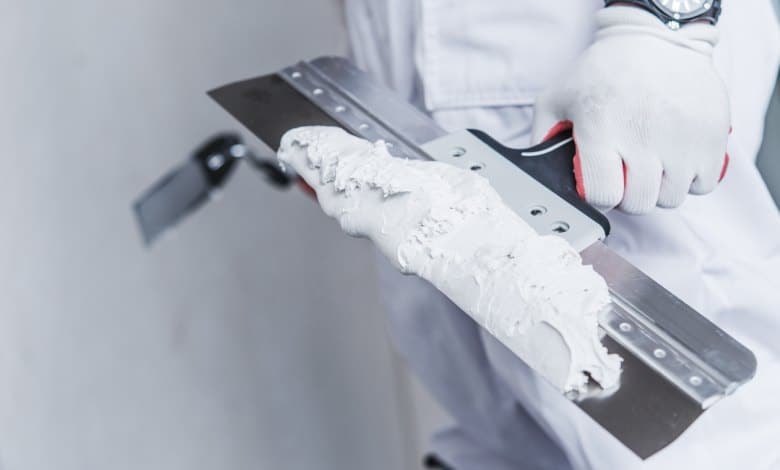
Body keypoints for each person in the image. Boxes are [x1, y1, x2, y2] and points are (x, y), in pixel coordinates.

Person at [343, 1, 780, 469]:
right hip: (413, 47)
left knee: (693, 430)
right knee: (507, 418)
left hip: (613, 56)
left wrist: (668, 23)